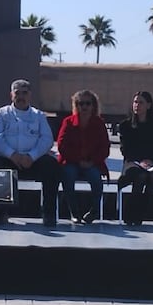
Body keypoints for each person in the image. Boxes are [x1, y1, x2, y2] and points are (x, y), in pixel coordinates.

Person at [0, 78, 61, 226]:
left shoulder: (38, 115)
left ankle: (49, 213)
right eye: (17, 93)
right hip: (8, 159)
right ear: (11, 95)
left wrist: (31, 156)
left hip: (32, 160)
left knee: (51, 165)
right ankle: (0, 212)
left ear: (30, 95)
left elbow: (47, 139)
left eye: (24, 93)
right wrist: (13, 155)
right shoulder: (2, 113)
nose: (21, 97)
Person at [56, 89, 110, 224]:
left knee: (96, 179)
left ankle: (94, 211)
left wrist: (92, 161)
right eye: (81, 103)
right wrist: (78, 160)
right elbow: (62, 146)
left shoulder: (99, 123)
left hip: (92, 163)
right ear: (76, 105)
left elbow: (105, 148)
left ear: (93, 106)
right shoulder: (68, 122)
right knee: (68, 175)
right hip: (71, 162)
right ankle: (74, 212)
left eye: (88, 103)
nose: (84, 107)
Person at [117, 91, 153, 226]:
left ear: (149, 105)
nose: (137, 105)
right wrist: (140, 162)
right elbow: (125, 149)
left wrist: (151, 161)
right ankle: (131, 214)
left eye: (141, 102)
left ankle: (139, 213)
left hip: (152, 161)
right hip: (132, 162)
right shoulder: (125, 125)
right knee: (140, 176)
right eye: (135, 102)